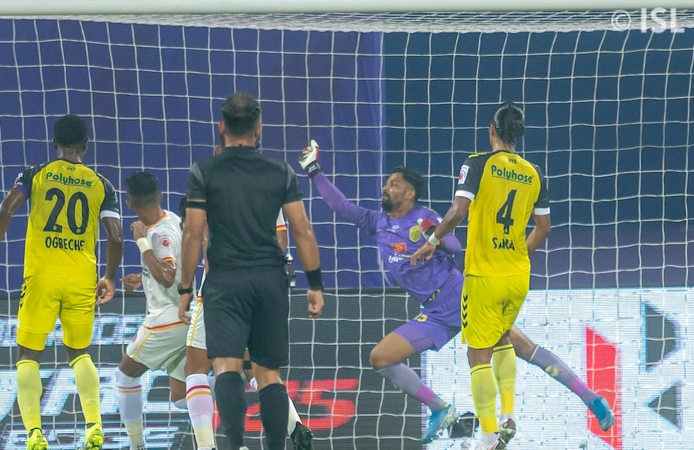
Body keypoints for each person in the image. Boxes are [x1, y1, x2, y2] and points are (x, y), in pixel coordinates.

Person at [299, 134, 614, 447]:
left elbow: (454, 245)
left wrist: (430, 236)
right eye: (387, 183)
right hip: (434, 313)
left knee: (521, 347)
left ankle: (589, 399)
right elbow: (339, 205)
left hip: (462, 295)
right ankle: (441, 409)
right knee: (381, 357)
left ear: (409, 193)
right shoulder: (376, 222)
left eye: (393, 184)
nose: (385, 187)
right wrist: (314, 170)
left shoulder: (424, 216)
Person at [178, 92, 324, 450]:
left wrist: (184, 289)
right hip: (270, 280)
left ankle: (234, 444)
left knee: (225, 366)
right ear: (259, 129)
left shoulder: (203, 171)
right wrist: (315, 284)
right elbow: (302, 230)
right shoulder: (280, 172)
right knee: (268, 373)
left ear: (221, 127)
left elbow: (193, 233)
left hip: (225, 281)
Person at [0, 114, 123, 450]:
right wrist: (109, 277)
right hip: (81, 278)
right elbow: (115, 236)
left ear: (54, 143)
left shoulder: (35, 175)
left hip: (41, 277)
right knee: (80, 353)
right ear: (86, 144)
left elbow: (4, 211)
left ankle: (34, 434)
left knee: (28, 354)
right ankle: (93, 426)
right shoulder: (102, 184)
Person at [407, 102, 543, 449]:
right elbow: (544, 227)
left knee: (477, 355)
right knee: (503, 338)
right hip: (518, 276)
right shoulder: (534, 172)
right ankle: (508, 416)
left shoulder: (478, 163)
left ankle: (489, 437)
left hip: (484, 276)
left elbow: (458, 210)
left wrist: (432, 241)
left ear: (491, 130)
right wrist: (517, 255)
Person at [114, 171, 193, 450]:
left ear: (129, 203)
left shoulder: (157, 233)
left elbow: (168, 275)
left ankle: (136, 446)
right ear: (160, 195)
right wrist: (143, 277)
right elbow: (175, 268)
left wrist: (142, 242)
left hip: (169, 317)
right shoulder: (172, 218)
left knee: (125, 376)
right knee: (182, 396)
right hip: (189, 314)